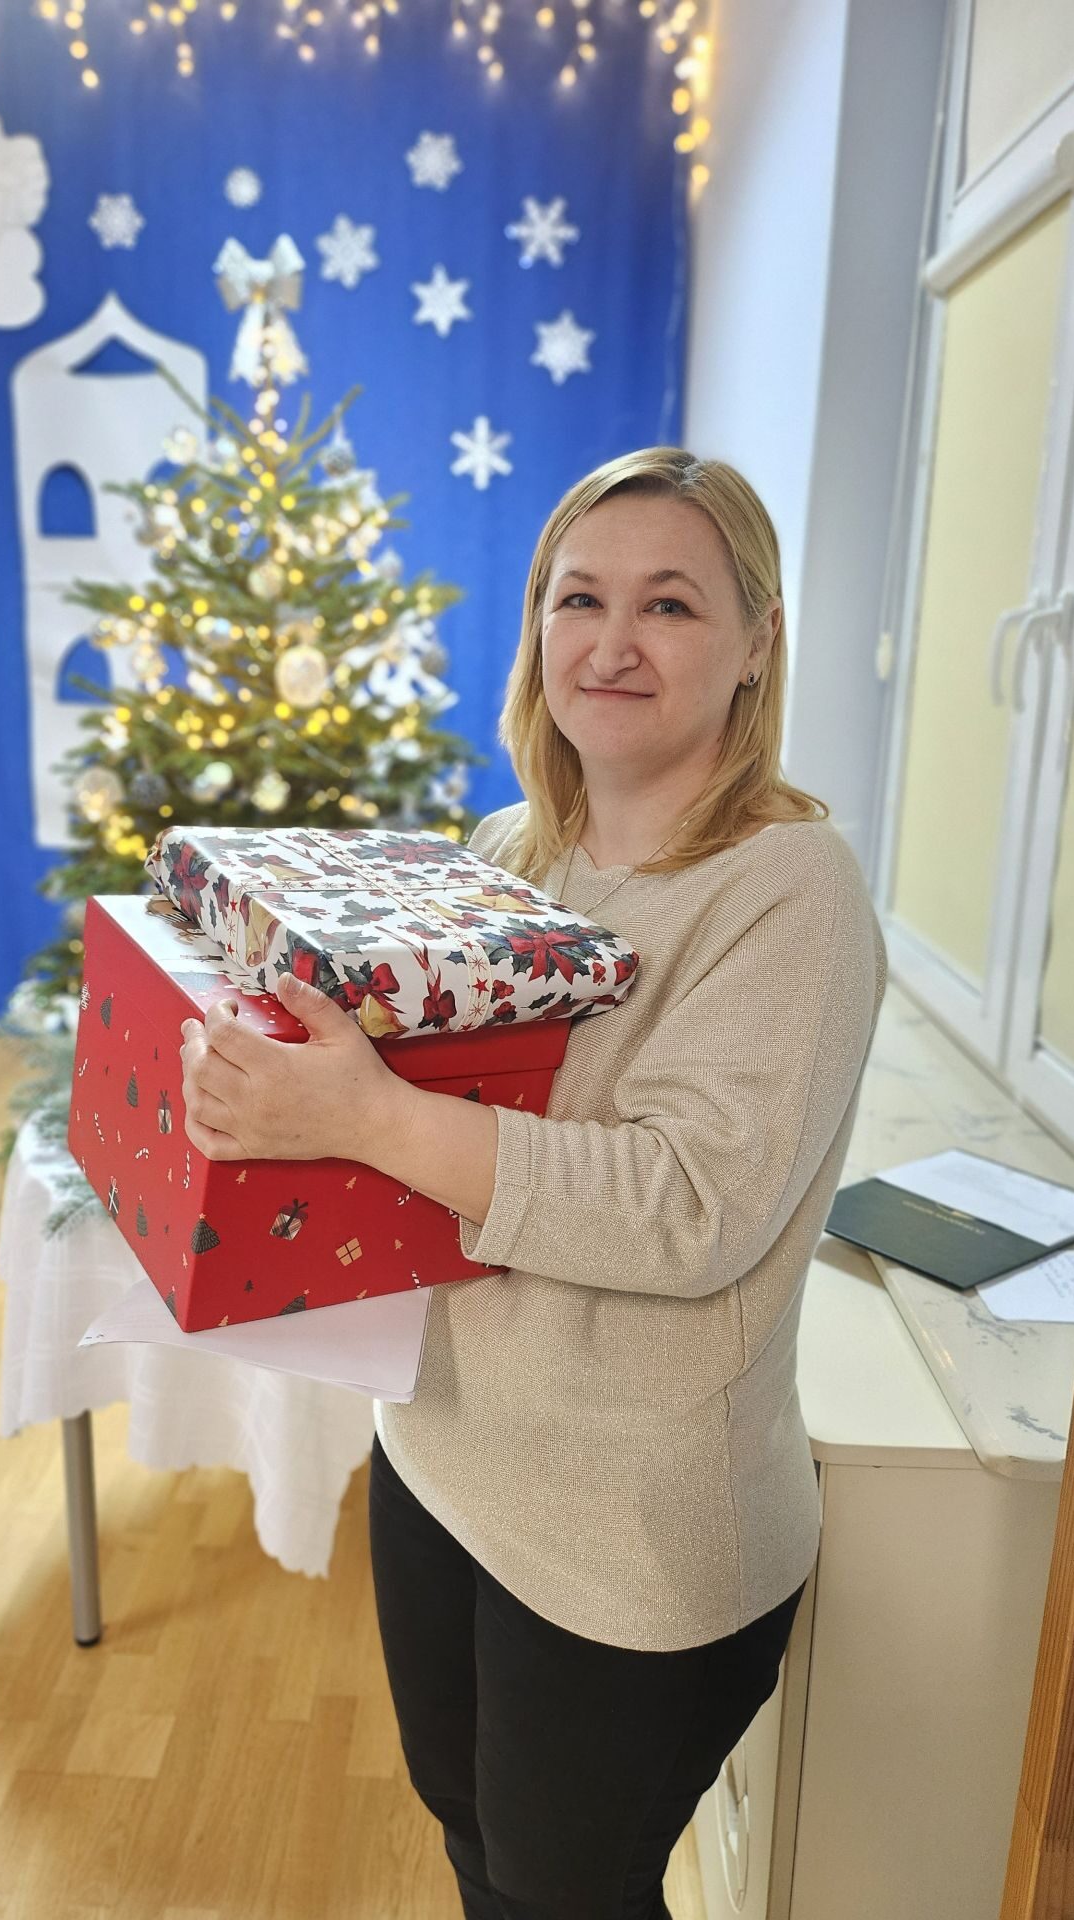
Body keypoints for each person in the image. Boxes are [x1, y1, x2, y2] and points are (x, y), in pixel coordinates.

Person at [179, 446, 888, 1919]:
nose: (613, 643)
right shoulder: (513, 852)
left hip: (632, 1531)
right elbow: (396, 1145)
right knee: (473, 1842)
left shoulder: (790, 890)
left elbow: (685, 1210)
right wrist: (263, 1086)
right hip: (444, 1457)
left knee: (567, 1893)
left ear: (757, 642)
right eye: (580, 599)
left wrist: (368, 1114)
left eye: (671, 604)